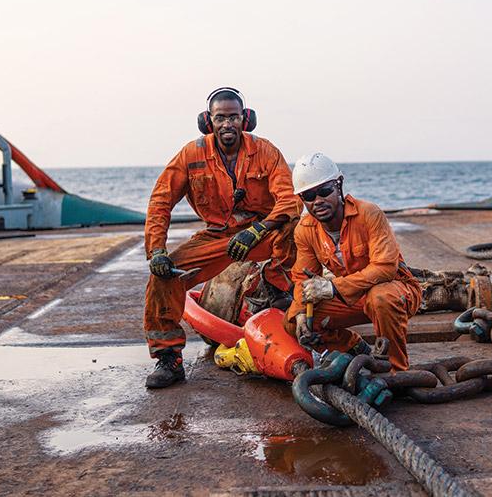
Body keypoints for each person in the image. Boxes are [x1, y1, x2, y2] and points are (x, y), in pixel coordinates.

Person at [144, 87, 300, 388]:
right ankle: (169, 360)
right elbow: (160, 201)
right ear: (208, 121)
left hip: (260, 234)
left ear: (246, 119)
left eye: (234, 117)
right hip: (216, 237)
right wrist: (157, 251)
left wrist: (259, 229)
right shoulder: (191, 155)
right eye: (220, 118)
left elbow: (289, 200)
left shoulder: (265, 151)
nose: (227, 124)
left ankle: (279, 288)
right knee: (163, 277)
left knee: (298, 229)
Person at [285, 152, 421, 371]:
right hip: (352, 296)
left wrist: (332, 286)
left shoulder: (369, 214)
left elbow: (386, 268)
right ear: (302, 200)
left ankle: (397, 371)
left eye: (324, 191)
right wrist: (301, 314)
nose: (318, 201)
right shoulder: (305, 230)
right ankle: (355, 349)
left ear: (339, 184)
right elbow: (302, 278)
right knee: (293, 321)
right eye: (309, 195)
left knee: (381, 298)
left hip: (397, 291)